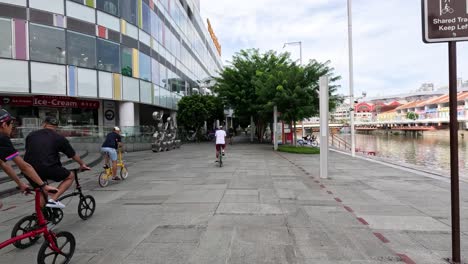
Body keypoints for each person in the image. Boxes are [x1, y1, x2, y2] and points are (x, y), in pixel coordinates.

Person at [24, 116, 90, 208]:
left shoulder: (31, 135)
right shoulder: (59, 138)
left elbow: (29, 150)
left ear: (44, 124)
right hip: (48, 167)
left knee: (42, 189)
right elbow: (72, 155)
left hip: (29, 169)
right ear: (56, 127)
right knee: (70, 176)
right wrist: (82, 164)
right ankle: (52, 200)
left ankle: (40, 219)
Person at [0, 110, 57, 208]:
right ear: (4, 124)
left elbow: (3, 164)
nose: (12, 128)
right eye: (12, 124)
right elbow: (24, 166)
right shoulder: (2, 139)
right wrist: (43, 186)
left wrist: (20, 183)